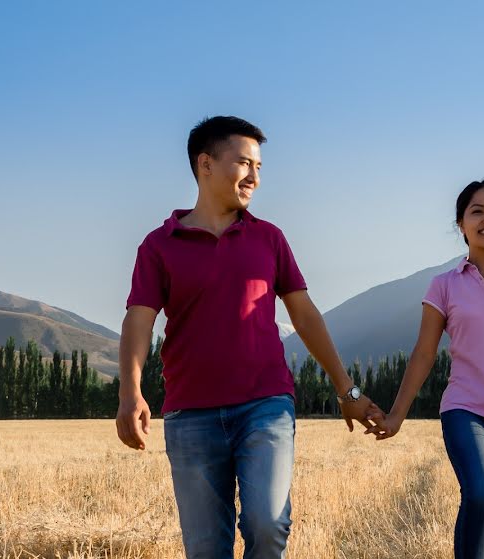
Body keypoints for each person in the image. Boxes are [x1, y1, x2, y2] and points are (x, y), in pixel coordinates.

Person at [115, 115, 381, 558]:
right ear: (205, 163)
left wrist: (346, 388)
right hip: (189, 413)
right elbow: (138, 321)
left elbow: (305, 316)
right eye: (244, 164)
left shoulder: (269, 238)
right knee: (205, 549)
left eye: (259, 167)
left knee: (268, 523)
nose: (255, 177)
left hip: (265, 404)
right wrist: (131, 392)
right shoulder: (159, 245)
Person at [367, 179, 484, 559]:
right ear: (461, 224)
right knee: (482, 496)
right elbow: (423, 353)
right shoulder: (443, 285)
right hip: (466, 410)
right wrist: (397, 415)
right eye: (477, 211)